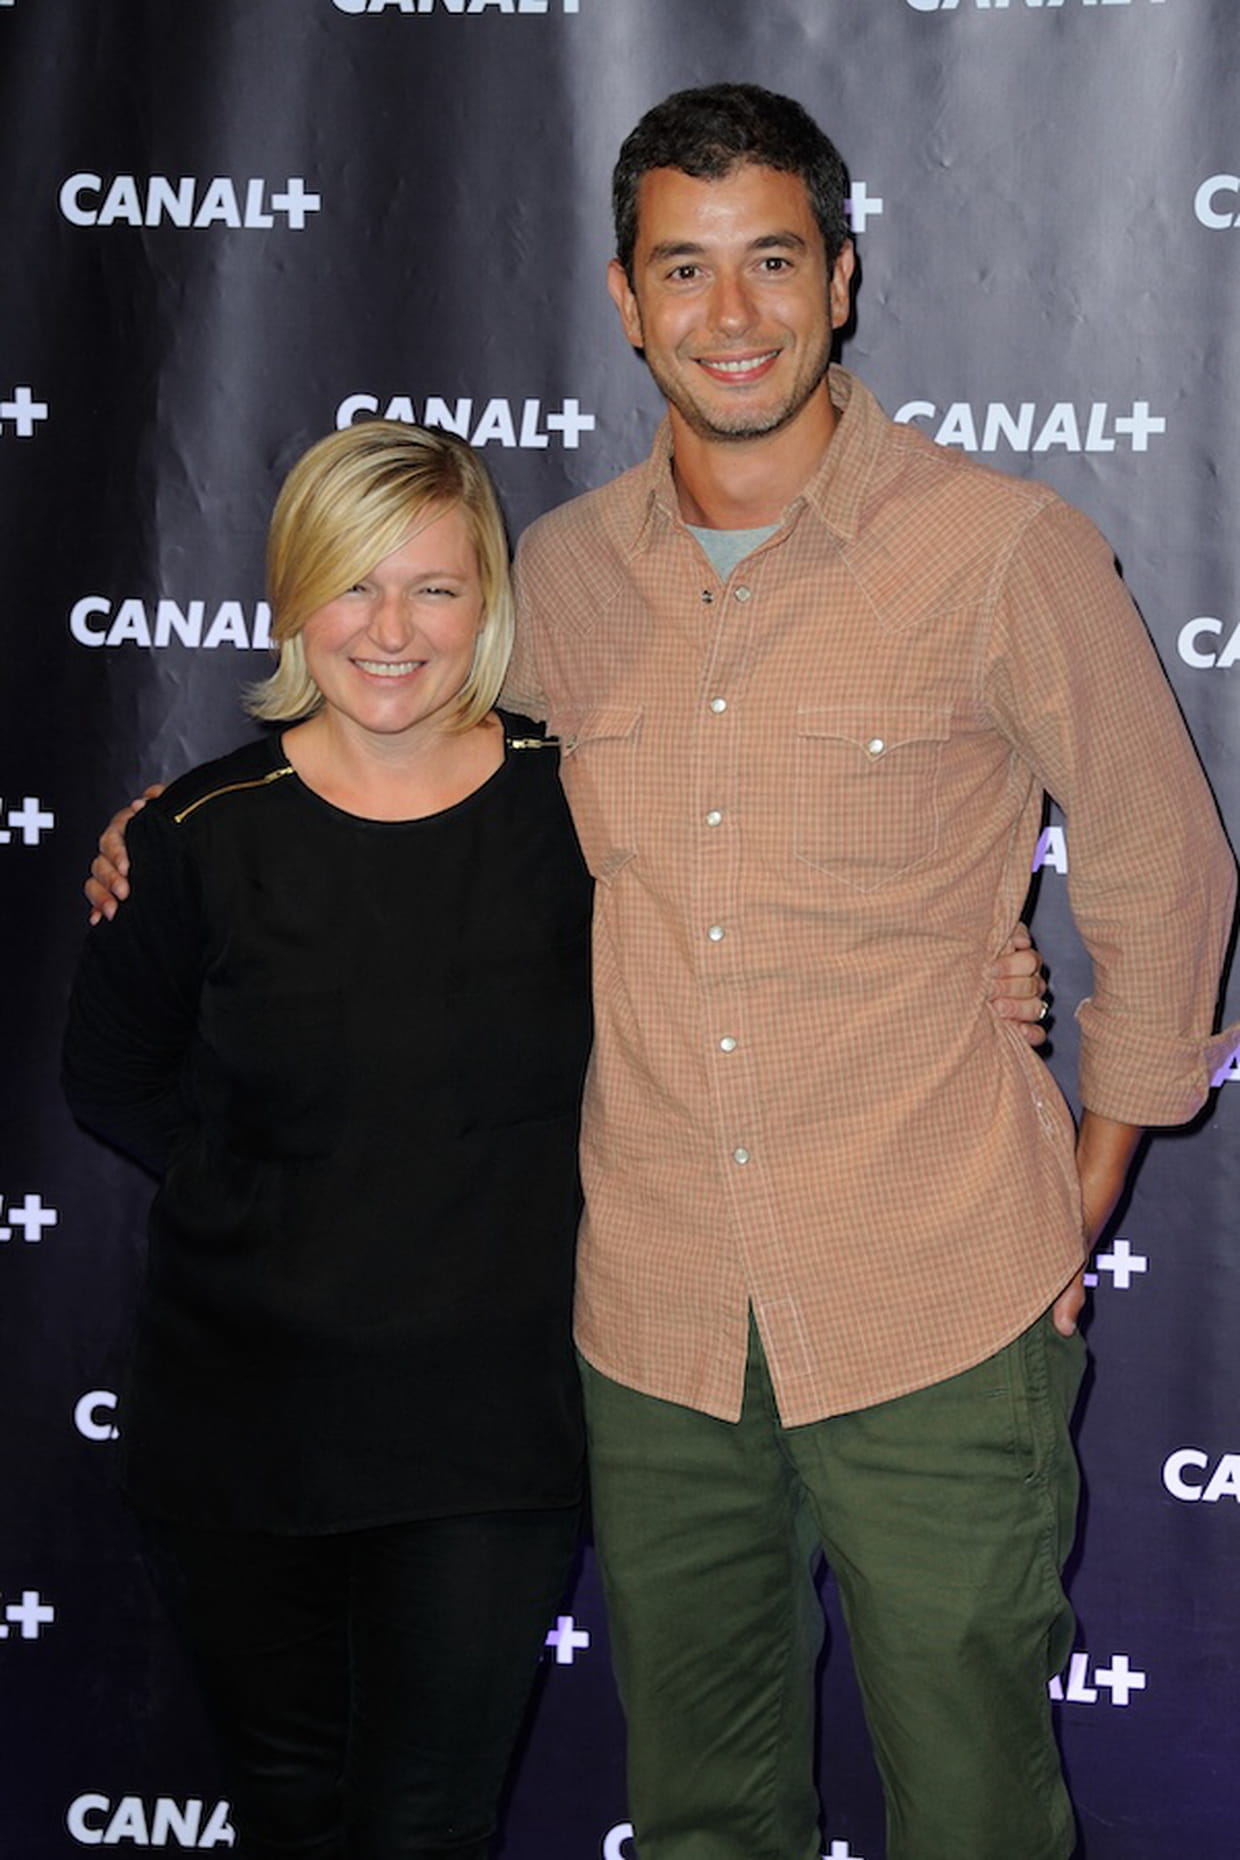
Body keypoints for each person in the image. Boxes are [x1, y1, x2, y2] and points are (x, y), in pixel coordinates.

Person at [495, 83, 1238, 1860]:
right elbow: (422, 810)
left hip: (940, 1303)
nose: (730, 312)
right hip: (656, 1320)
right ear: (625, 299)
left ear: (841, 278)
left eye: (771, 260)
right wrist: (179, 820)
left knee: (977, 1814)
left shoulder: (1001, 549)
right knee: (700, 1815)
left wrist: (1081, 1191)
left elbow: (1162, 861)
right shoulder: (558, 576)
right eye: (686, 267)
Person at [63, 420, 595, 1860]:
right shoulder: (196, 833)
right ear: (294, 595)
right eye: (354, 583)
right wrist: (280, 1200)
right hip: (240, 1425)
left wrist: (978, 955)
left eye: (433, 587)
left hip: (489, 1428)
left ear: (487, 602)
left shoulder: (585, 808)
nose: (391, 630)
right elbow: (110, 1080)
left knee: (425, 1826)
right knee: (291, 1817)